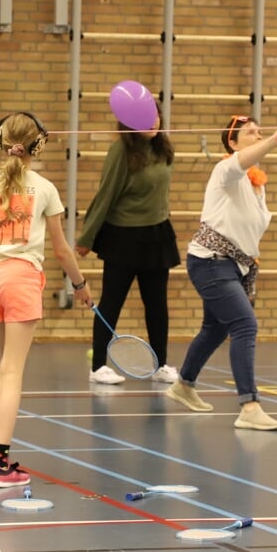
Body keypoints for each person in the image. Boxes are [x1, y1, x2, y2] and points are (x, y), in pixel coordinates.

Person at [0, 111, 94, 487]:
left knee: (4, 366)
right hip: (21, 280)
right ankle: (1, 464)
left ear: (0, 140)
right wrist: (80, 285)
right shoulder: (44, 188)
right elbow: (61, 249)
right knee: (13, 370)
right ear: (38, 144)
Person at [163, 114, 277, 431]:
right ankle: (249, 406)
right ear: (232, 143)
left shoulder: (256, 185)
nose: (256, 134)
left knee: (215, 330)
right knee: (245, 325)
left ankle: (184, 385)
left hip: (234, 265)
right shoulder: (225, 170)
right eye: (249, 133)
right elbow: (244, 160)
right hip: (211, 261)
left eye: (258, 131)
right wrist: (274, 139)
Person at [76, 113, 180, 385]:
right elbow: (105, 194)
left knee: (157, 305)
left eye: (156, 115)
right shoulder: (120, 151)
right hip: (123, 236)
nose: (154, 122)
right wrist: (87, 237)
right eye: (147, 117)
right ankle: (98, 366)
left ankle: (161, 364)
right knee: (112, 302)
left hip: (156, 235)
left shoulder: (163, 148)